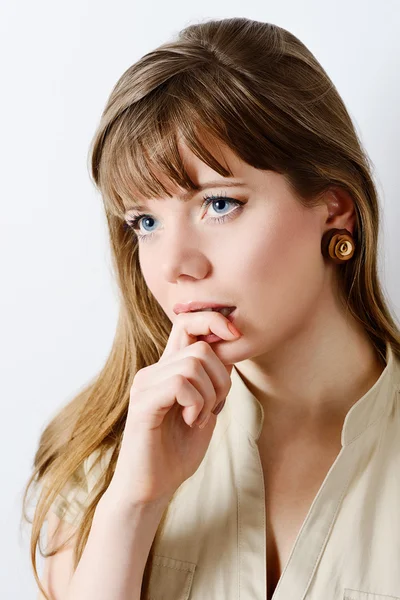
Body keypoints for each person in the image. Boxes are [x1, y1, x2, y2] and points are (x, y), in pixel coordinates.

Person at [21, 17, 400, 600]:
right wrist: (135, 504)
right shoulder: (98, 463)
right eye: (145, 222)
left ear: (335, 208)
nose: (175, 264)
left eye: (219, 204)